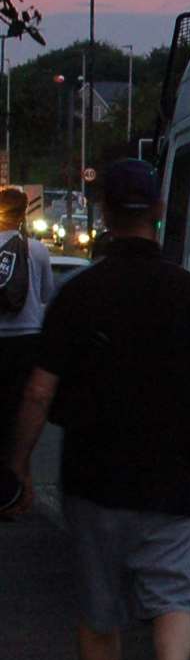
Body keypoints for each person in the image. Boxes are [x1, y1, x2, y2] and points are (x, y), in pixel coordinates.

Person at [9, 160, 190, 660]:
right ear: (158, 211)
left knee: (100, 607)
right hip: (173, 478)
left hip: (94, 476)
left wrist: (20, 467)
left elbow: (38, 389)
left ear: (104, 212)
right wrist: (184, 434)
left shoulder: (79, 293)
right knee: (174, 598)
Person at [0, 188, 53, 491]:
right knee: (20, 414)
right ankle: (16, 485)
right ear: (23, 215)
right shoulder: (37, 250)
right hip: (27, 339)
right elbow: (45, 294)